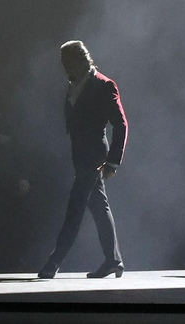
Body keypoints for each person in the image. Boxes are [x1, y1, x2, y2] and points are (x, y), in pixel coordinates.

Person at [38, 40, 128, 279]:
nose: (64, 68)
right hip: (80, 155)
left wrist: (113, 161)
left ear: (81, 60)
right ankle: (113, 260)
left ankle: (54, 261)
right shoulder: (74, 84)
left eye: (67, 62)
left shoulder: (104, 85)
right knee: (99, 207)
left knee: (75, 207)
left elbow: (121, 125)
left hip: (94, 156)